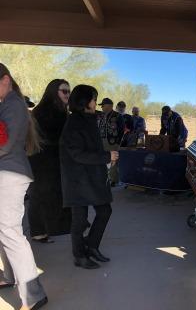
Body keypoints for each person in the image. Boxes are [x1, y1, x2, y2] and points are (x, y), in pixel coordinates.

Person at [0, 63, 48, 310]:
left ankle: (33, 294)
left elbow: (5, 144)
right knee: (7, 230)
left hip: (9, 174)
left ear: (5, 79)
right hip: (7, 172)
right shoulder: (8, 103)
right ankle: (10, 276)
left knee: (10, 232)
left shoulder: (13, 104)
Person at [60, 85, 118, 270]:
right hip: (77, 180)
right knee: (79, 219)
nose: (95, 102)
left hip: (92, 176)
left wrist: (106, 159)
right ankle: (79, 255)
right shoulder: (74, 122)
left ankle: (92, 246)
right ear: (84, 102)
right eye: (93, 99)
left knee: (104, 211)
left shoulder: (89, 119)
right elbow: (77, 154)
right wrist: (107, 157)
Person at [27, 79, 72, 243]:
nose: (68, 94)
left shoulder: (53, 110)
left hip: (45, 160)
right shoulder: (47, 111)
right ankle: (40, 231)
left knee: (40, 195)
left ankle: (41, 231)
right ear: (54, 92)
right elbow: (51, 138)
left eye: (69, 91)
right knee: (40, 195)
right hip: (43, 161)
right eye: (64, 91)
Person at [98, 98, 124, 186]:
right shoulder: (101, 115)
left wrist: (118, 143)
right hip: (101, 141)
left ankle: (113, 180)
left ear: (109, 106)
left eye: (103, 105)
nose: (101, 107)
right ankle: (104, 178)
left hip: (112, 142)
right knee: (102, 160)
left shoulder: (118, 116)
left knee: (112, 161)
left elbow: (121, 130)